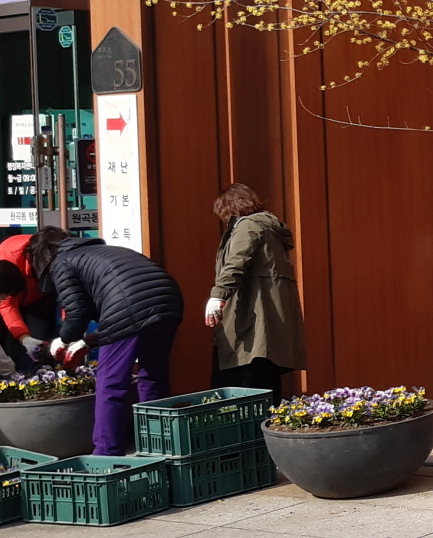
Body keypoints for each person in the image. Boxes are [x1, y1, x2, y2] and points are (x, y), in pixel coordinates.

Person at [48, 237, 185, 456]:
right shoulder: (106, 252)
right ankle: (159, 445)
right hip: (168, 301)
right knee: (153, 376)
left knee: (111, 385)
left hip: (132, 305)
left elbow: (78, 311)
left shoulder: (62, 261)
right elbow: (117, 313)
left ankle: (107, 454)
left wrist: (64, 339)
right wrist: (86, 341)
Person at [205, 184, 306, 401]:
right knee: (266, 379)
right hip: (270, 320)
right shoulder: (271, 230)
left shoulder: (247, 226)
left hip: (250, 318)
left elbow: (236, 262)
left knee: (241, 383)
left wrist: (218, 295)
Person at [0, 225, 68, 364]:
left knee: (42, 345)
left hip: (39, 297)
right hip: (2, 298)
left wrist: (70, 331)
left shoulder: (64, 256)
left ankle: (43, 375)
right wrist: (24, 338)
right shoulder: (10, 257)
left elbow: (68, 294)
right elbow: (7, 303)